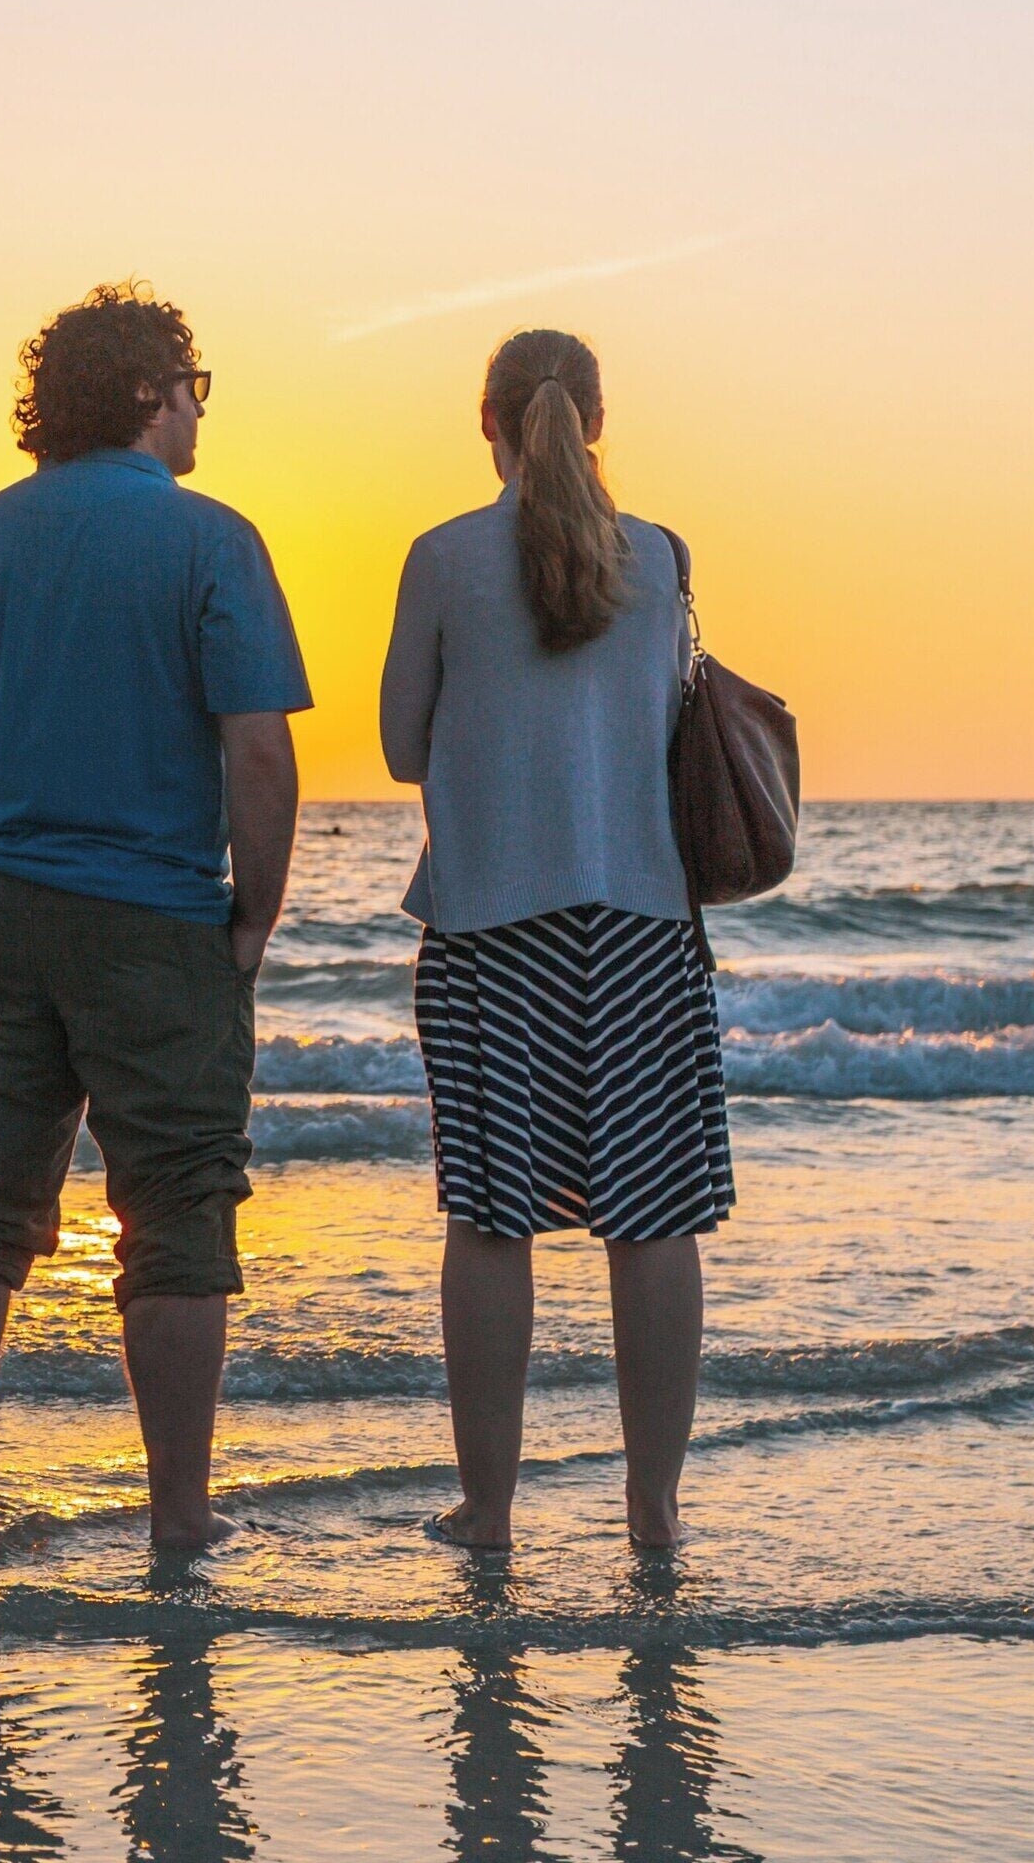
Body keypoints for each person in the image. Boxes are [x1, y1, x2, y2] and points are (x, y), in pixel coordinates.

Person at [0, 282, 309, 1551]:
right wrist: (253, 921)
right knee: (177, 1208)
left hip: (2, 904)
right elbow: (260, 758)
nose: (198, 413)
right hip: (157, 913)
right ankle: (180, 1515)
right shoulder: (212, 542)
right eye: (193, 388)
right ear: (144, 393)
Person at [380, 327, 733, 1552]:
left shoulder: (440, 558)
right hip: (642, 921)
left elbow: (396, 744)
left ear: (488, 427)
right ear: (595, 421)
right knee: (653, 1219)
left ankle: (487, 1512)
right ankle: (655, 1509)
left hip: (489, 925)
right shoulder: (667, 557)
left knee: (491, 1219)